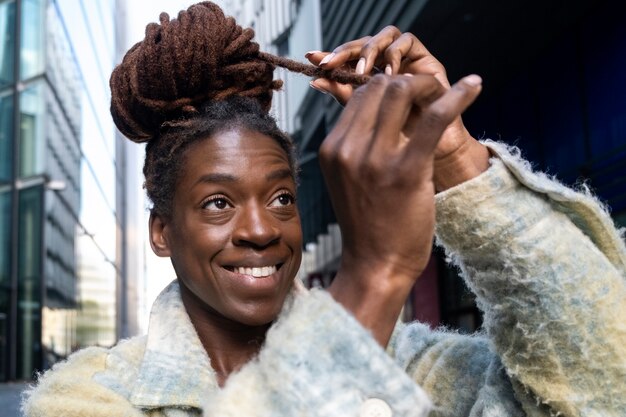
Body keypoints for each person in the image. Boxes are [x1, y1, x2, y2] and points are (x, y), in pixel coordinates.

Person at [22, 2, 626, 417]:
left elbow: (601, 385)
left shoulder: (416, 364)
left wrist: (454, 160)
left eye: (282, 197)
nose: (261, 229)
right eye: (217, 202)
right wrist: (373, 276)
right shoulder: (89, 393)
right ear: (161, 231)